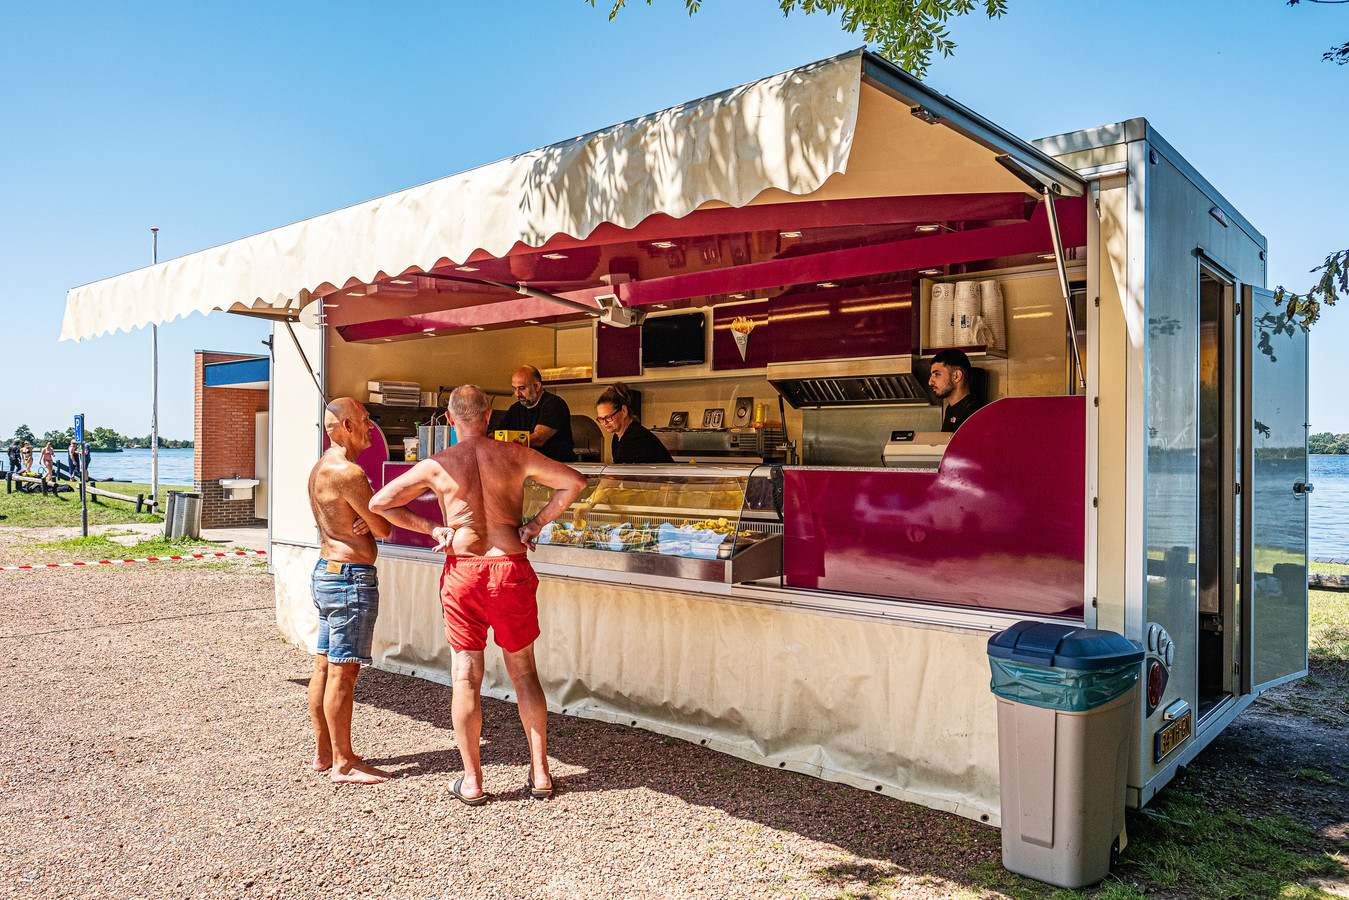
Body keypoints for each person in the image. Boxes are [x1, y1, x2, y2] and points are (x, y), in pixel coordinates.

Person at [370, 385, 586, 806]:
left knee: (465, 675)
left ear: (450, 420)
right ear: (489, 416)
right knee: (523, 672)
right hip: (510, 566)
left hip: (464, 571)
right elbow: (574, 482)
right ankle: (540, 772)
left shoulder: (438, 464)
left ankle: (472, 782)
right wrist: (535, 524)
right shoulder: (516, 455)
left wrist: (433, 529)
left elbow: (381, 502)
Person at [306, 397, 394, 785]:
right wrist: (369, 518)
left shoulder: (320, 467)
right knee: (345, 671)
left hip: (327, 571)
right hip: (349, 578)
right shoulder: (348, 472)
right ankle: (344, 762)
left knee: (325, 665)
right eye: (364, 419)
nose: (370, 425)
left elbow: (365, 519)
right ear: (345, 425)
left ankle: (325, 753)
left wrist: (364, 518)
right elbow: (385, 527)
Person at [502, 365, 574, 462]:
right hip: (528, 467)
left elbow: (538, 439)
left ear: (537, 386)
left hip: (555, 468)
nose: (517, 394)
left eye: (522, 388)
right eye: (515, 388)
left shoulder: (554, 405)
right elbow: (498, 434)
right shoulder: (514, 409)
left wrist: (505, 441)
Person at [595, 383, 672, 464]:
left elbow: (617, 475)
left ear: (624, 411)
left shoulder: (634, 438)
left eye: (608, 417)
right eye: (600, 419)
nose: (604, 423)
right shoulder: (617, 437)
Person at [928, 348, 985, 433]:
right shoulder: (950, 409)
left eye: (937, 374)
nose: (930, 382)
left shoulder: (973, 411)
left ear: (957, 376)